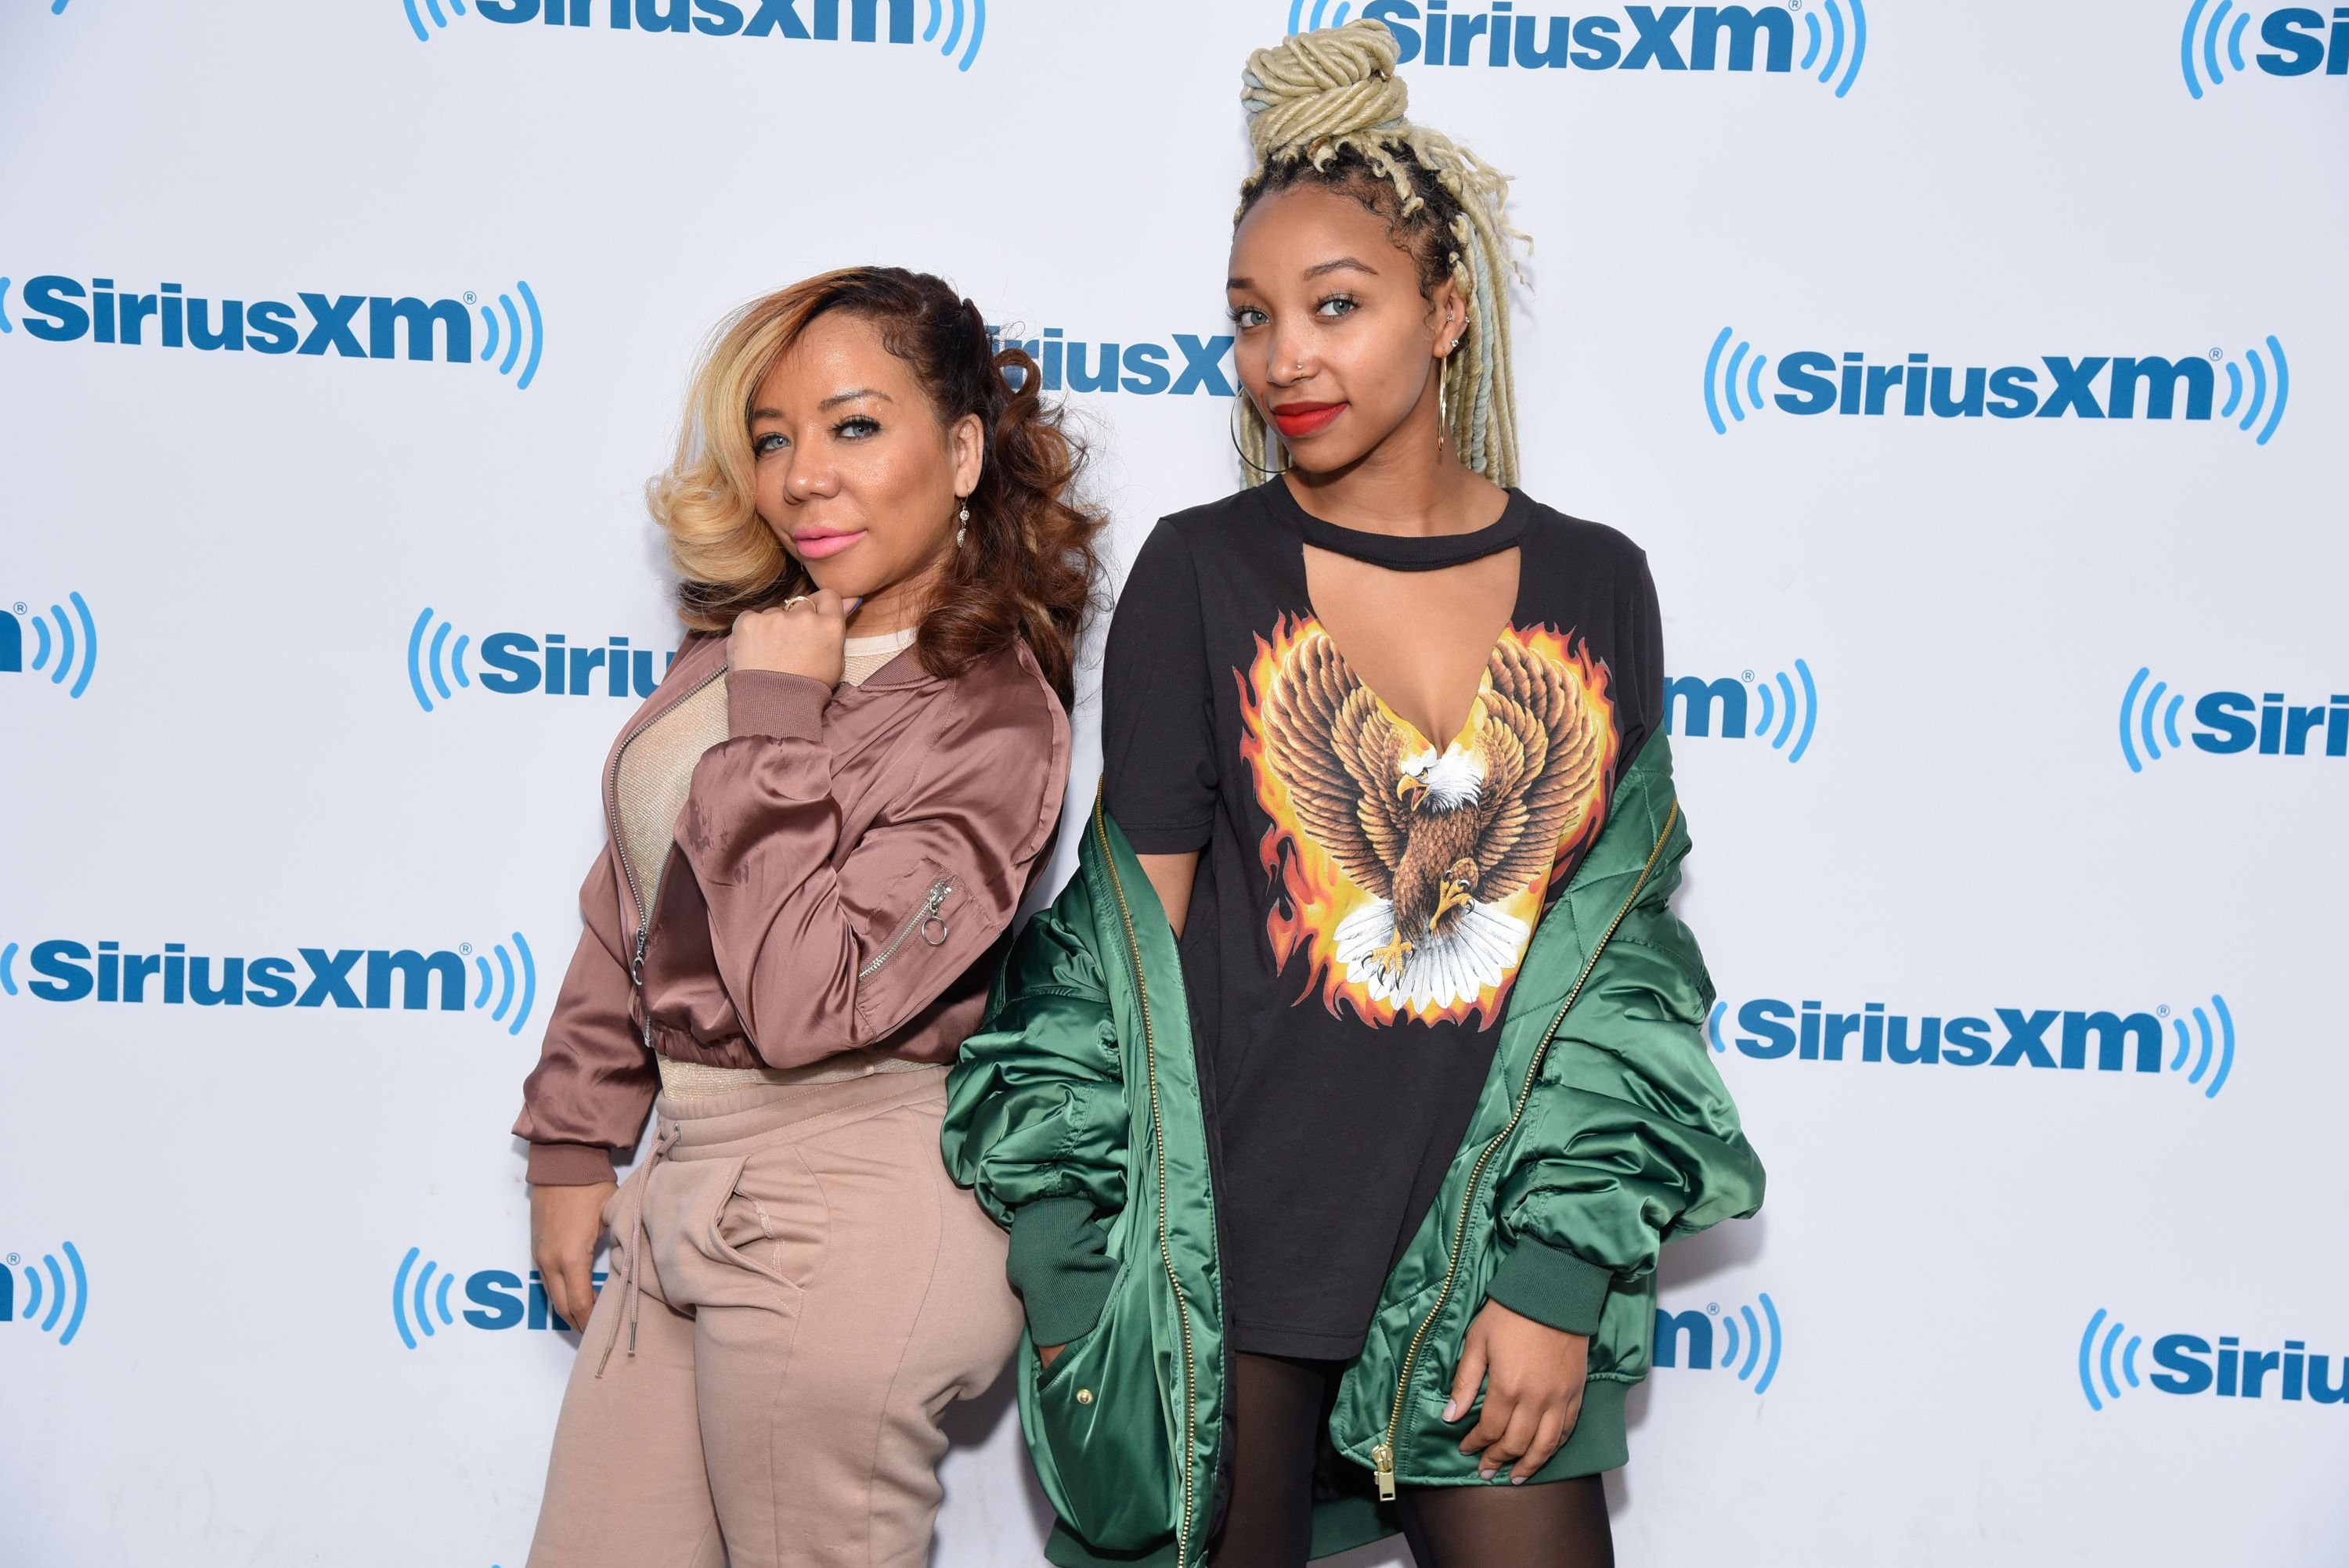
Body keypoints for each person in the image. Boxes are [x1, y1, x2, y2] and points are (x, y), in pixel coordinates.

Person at [942, 21, 1764, 1568]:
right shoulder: (1206, 570)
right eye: (1251, 319)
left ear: (1447, 311)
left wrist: (1553, 1272)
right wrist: (1080, 1275)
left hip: (1482, 1252)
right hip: (1237, 1262)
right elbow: (1121, 946)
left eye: (1337, 306)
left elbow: (1619, 962)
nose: (1285, 360)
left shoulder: (1599, 583)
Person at [514, 266, 1101, 1568]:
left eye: (852, 426)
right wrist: (572, 1141)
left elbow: (805, 1000)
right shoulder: (745, 645)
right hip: (689, 1183)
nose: (800, 477)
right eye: (773, 439)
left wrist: (775, 722)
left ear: (958, 452)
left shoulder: (992, 716)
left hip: (854, 1197)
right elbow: (635, 905)